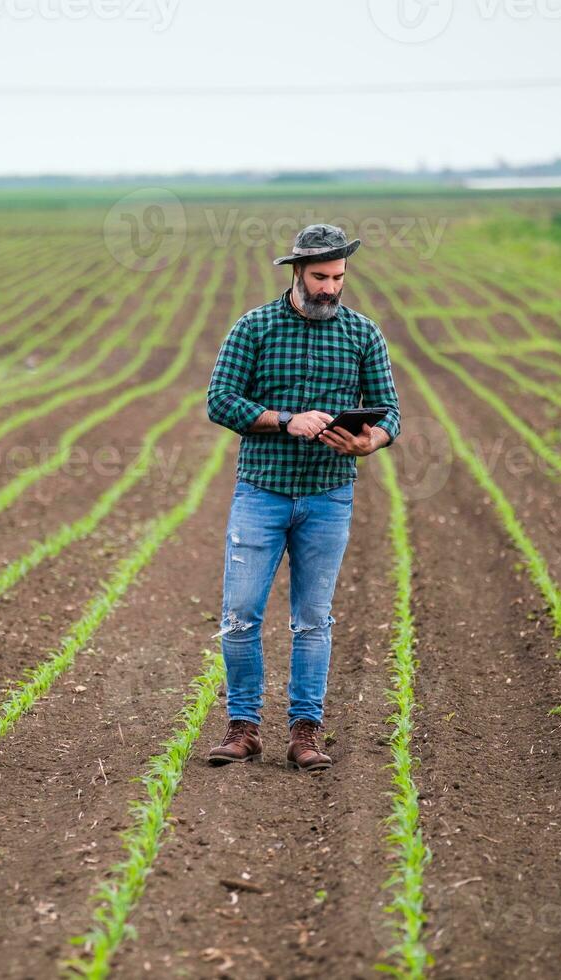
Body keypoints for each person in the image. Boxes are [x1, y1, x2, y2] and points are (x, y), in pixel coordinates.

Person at [203, 222, 401, 772]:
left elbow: (391, 413)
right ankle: (243, 729)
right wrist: (284, 420)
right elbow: (219, 401)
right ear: (296, 272)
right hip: (261, 493)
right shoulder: (255, 327)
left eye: (338, 277)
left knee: (313, 620)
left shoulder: (363, 334)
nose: (330, 288)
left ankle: (305, 734)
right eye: (320, 277)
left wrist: (369, 440)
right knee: (241, 615)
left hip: (329, 496)